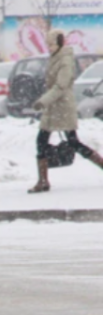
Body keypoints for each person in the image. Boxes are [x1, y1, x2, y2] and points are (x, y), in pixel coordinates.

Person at [28, 29, 103, 193]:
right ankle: (43, 180)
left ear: (60, 43)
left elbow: (61, 86)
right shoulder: (55, 58)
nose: (48, 47)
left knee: (73, 142)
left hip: (63, 106)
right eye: (47, 44)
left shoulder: (65, 60)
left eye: (51, 44)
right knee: (41, 140)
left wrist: (43, 100)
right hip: (53, 107)